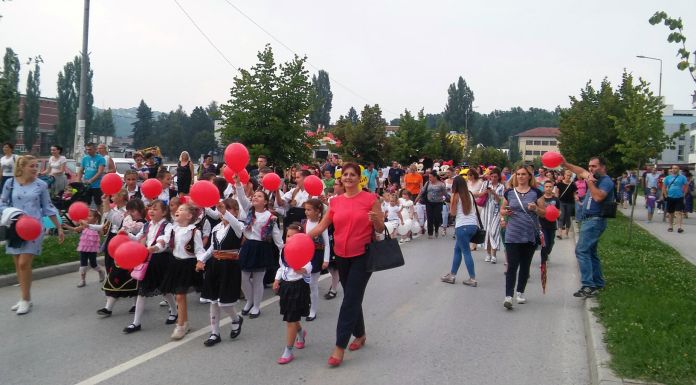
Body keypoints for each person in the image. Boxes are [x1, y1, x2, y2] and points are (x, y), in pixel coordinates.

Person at [307, 162, 385, 367]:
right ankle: (360, 335)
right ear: (341, 179)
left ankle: (339, 347)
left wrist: (375, 219)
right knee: (353, 295)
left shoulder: (370, 199)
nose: (348, 178)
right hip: (341, 255)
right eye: (345, 175)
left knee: (350, 299)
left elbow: (380, 228)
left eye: (353, 175)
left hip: (363, 255)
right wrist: (303, 238)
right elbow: (323, 225)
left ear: (360, 178)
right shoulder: (335, 201)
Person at [0, 155, 64, 315]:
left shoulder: (41, 185)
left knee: (23, 263)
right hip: (14, 227)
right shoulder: (10, 183)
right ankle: (24, 297)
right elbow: (2, 203)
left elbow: (48, 207)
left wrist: (59, 227)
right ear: (21, 167)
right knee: (18, 265)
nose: (36, 169)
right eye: (32, 166)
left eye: (36, 166)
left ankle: (26, 300)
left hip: (34, 228)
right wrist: (12, 213)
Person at [122, 199, 178, 334]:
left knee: (165, 289)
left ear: (164, 212)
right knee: (142, 291)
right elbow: (137, 238)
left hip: (162, 260)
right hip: (149, 260)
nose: (151, 211)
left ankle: (175, 311)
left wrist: (156, 247)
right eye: (150, 208)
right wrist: (126, 234)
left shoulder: (168, 225)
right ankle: (136, 323)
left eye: (155, 209)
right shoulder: (147, 225)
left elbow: (164, 240)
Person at [563, 156, 615, 298]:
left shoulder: (605, 181)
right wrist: (566, 163)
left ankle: (588, 286)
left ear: (603, 167)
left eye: (594, 166)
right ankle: (598, 282)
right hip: (589, 220)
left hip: (595, 220)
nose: (590, 169)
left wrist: (590, 183)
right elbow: (579, 170)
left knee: (581, 251)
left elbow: (598, 197)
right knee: (591, 253)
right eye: (590, 166)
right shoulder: (594, 177)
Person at [197, 199, 245, 346]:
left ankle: (236, 319)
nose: (224, 213)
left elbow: (235, 223)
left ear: (236, 212)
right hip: (214, 266)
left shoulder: (238, 226)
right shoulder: (216, 228)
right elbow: (212, 247)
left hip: (229, 266)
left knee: (224, 302)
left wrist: (224, 211)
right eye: (223, 210)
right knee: (213, 301)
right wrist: (202, 260)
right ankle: (214, 333)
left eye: (229, 210)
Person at [157, 203, 206, 339]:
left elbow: (199, 250)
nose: (178, 211)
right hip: (175, 263)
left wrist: (201, 261)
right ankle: (184, 323)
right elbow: (164, 242)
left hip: (187, 265)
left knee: (179, 295)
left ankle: (181, 326)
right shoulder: (173, 229)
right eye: (178, 209)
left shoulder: (194, 231)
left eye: (182, 209)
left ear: (189, 216)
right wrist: (155, 248)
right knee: (179, 295)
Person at [500, 166, 546, 309]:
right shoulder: (509, 193)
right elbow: (502, 209)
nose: (520, 177)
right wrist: (504, 214)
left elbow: (544, 213)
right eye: (518, 174)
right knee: (512, 266)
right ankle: (508, 296)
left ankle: (520, 292)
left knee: (525, 266)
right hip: (512, 234)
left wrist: (536, 209)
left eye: (523, 174)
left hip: (529, 234)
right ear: (515, 176)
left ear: (529, 176)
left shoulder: (536, 193)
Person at [237, 188, 284, 318]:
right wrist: (238, 184)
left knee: (258, 280)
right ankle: (249, 300)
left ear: (265, 202)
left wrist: (283, 250)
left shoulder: (270, 216)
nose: (255, 197)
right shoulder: (248, 211)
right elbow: (241, 197)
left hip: (262, 248)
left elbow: (276, 234)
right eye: (254, 196)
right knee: (243, 277)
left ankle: (256, 306)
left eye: (259, 196)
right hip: (248, 246)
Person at [273, 224, 312, 364]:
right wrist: (277, 280)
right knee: (290, 316)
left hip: (298, 287)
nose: (290, 239)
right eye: (288, 236)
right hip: (286, 287)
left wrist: (302, 269)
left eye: (294, 236)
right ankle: (301, 333)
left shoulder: (303, 250)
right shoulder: (283, 251)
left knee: (290, 319)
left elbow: (309, 265)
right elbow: (282, 267)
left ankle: (288, 350)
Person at [440, 175, 479, 286]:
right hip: (472, 225)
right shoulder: (469, 194)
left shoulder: (455, 195)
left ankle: (472, 278)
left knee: (466, 252)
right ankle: (452, 275)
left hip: (462, 226)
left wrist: (450, 202)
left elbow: (453, 213)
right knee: (457, 250)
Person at [62, 209, 105, 287]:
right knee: (83, 264)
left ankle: (101, 271)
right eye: (86, 216)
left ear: (96, 219)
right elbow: (75, 229)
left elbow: (102, 233)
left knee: (93, 264)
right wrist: (67, 226)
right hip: (83, 248)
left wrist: (101, 230)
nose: (87, 218)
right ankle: (82, 280)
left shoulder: (97, 228)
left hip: (92, 249)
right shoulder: (84, 226)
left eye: (90, 216)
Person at [302, 199, 330, 321]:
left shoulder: (321, 224)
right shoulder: (304, 223)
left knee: (313, 284)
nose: (306, 212)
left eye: (309, 210)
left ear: (317, 211)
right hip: (304, 256)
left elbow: (327, 244)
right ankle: (306, 304)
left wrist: (326, 260)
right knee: (304, 282)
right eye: (305, 210)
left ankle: (313, 310)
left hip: (316, 256)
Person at [481, 168, 504, 263]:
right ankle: (488, 254)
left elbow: (500, 201)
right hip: (486, 211)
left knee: (493, 232)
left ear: (498, 177)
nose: (493, 178)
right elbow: (480, 195)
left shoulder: (501, 187)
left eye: (495, 177)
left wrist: (494, 193)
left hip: (496, 211)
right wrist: (485, 192)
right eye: (492, 176)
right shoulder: (485, 184)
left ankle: (494, 255)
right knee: (487, 233)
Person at [77, 143, 106, 212]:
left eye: (90, 149)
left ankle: (100, 219)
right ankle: (86, 218)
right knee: (86, 203)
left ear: (95, 150)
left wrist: (91, 180)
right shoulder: (85, 158)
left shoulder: (101, 159)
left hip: (97, 185)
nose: (88, 151)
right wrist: (78, 181)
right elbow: (81, 170)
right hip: (86, 185)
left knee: (98, 203)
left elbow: (100, 172)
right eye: (87, 149)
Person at [418, 172, 448, 239]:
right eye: (429, 177)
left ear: (435, 177)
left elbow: (445, 194)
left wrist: (450, 200)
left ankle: (436, 229)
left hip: (438, 203)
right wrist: (417, 200)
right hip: (429, 203)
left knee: (437, 217)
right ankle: (430, 233)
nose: (429, 178)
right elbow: (422, 191)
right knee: (429, 218)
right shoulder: (427, 183)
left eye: (430, 177)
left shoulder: (441, 184)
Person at [662, 165, 688, 233]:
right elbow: (664, 187)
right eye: (673, 168)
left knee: (679, 212)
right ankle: (670, 226)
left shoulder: (683, 177)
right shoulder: (667, 177)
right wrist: (665, 195)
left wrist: (684, 194)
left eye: (676, 168)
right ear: (671, 169)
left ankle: (679, 227)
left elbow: (686, 186)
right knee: (671, 213)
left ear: (678, 169)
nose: (674, 169)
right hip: (670, 197)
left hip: (679, 197)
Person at [539, 180, 560, 263]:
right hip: (542, 224)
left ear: (552, 188)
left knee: (551, 243)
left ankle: (547, 253)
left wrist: (558, 214)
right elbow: (537, 211)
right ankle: (543, 261)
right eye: (546, 187)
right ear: (544, 188)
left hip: (552, 224)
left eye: (550, 187)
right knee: (545, 243)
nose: (548, 188)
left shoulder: (556, 199)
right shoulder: (540, 199)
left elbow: (558, 210)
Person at [555, 170, 577, 239]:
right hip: (561, 202)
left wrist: (577, 198)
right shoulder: (559, 184)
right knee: (561, 217)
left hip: (570, 203)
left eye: (570, 176)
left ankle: (566, 233)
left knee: (567, 217)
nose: (568, 177)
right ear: (564, 175)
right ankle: (560, 233)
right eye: (567, 175)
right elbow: (557, 194)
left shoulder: (573, 185)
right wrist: (555, 202)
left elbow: (574, 194)